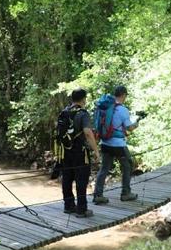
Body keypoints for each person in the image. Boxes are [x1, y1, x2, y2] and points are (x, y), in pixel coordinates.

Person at [93, 86, 140, 204]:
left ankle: (98, 195)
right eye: (126, 95)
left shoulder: (106, 107)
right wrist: (137, 124)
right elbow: (129, 128)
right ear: (123, 95)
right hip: (118, 145)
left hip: (105, 143)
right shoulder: (122, 110)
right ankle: (126, 193)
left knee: (104, 169)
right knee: (128, 165)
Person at [59, 88, 101, 217]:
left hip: (65, 152)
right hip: (80, 152)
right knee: (81, 180)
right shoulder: (83, 114)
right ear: (83, 99)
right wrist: (96, 151)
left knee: (67, 178)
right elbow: (88, 133)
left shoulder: (64, 112)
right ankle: (82, 210)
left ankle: (69, 206)